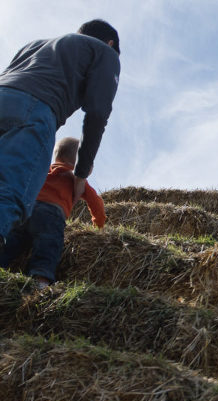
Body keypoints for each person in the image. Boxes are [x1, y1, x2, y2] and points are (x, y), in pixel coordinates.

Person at [0, 19, 119, 251]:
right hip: (34, 110)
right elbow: (97, 113)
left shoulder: (34, 45)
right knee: (12, 190)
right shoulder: (105, 52)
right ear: (110, 42)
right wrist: (81, 174)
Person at [0, 137, 105, 289]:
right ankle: (41, 279)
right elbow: (96, 203)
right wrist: (99, 224)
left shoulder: (43, 171)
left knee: (11, 242)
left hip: (26, 211)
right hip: (52, 214)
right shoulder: (75, 178)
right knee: (48, 244)